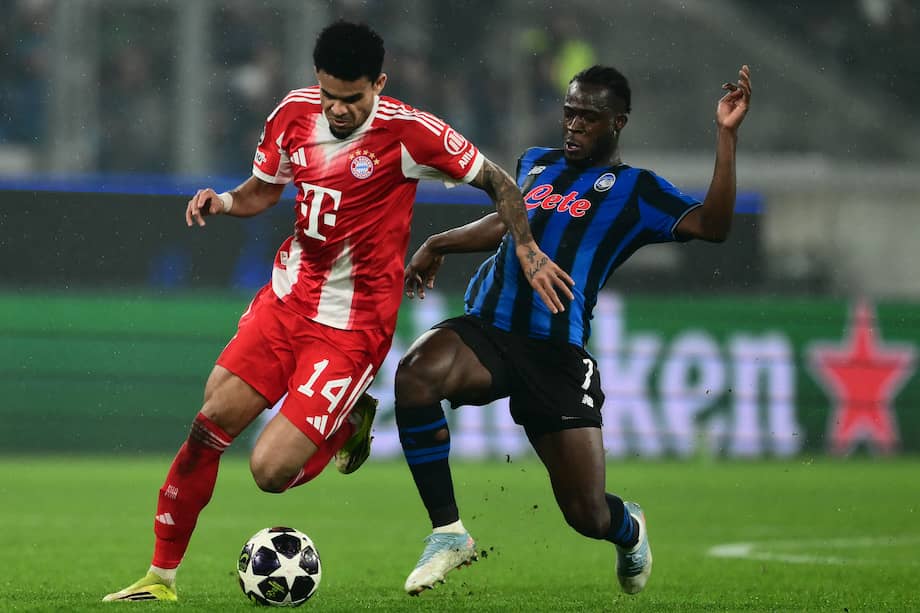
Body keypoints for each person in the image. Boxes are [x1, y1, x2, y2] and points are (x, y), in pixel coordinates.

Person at [103, 20, 572, 603]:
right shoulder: (294, 113)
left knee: (269, 473)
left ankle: (349, 422)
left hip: (351, 329)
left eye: (352, 99)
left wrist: (526, 249)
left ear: (379, 83)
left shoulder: (410, 133)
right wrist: (222, 201)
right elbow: (263, 189)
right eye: (329, 95)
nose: (339, 110)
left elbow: (501, 182)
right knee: (208, 424)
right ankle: (161, 578)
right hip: (286, 300)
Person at [395, 64, 752, 596]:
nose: (574, 126)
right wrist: (440, 241)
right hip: (489, 329)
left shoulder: (637, 191)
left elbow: (714, 226)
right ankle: (448, 533)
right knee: (414, 375)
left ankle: (628, 527)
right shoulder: (534, 164)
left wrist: (725, 136)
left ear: (618, 122)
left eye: (589, 117)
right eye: (569, 112)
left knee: (586, 514)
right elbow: (510, 224)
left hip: (556, 353)